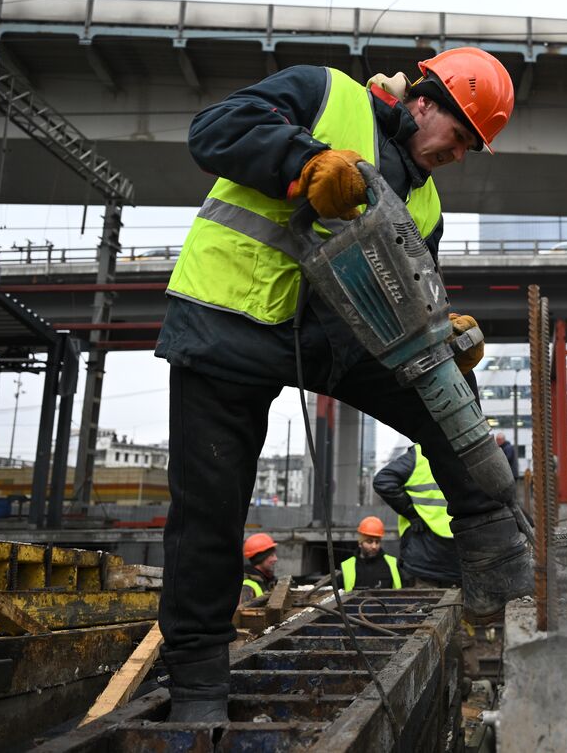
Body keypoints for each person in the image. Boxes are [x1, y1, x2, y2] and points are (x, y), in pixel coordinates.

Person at [153, 47, 532, 721]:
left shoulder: (427, 201)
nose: (461, 154)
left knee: (448, 393)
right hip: (231, 318)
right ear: (425, 102)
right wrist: (302, 161)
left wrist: (447, 333)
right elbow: (215, 129)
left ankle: (491, 544)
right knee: (208, 512)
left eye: (474, 146)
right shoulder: (325, 94)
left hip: (338, 342)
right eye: (461, 135)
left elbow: (416, 291)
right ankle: (198, 685)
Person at [374, 441, 462, 587]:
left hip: (423, 550)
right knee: (459, 604)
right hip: (459, 550)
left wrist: (411, 513)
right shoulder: (465, 453)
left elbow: (383, 481)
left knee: (425, 605)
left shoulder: (419, 455)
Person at [339, 515, 402, 590]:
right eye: (369, 541)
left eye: (377, 542)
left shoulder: (392, 563)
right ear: (360, 543)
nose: (374, 546)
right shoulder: (347, 566)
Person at [239, 532, 277, 604]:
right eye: (271, 555)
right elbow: (242, 612)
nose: (275, 559)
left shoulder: (267, 580)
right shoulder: (247, 587)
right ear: (260, 558)